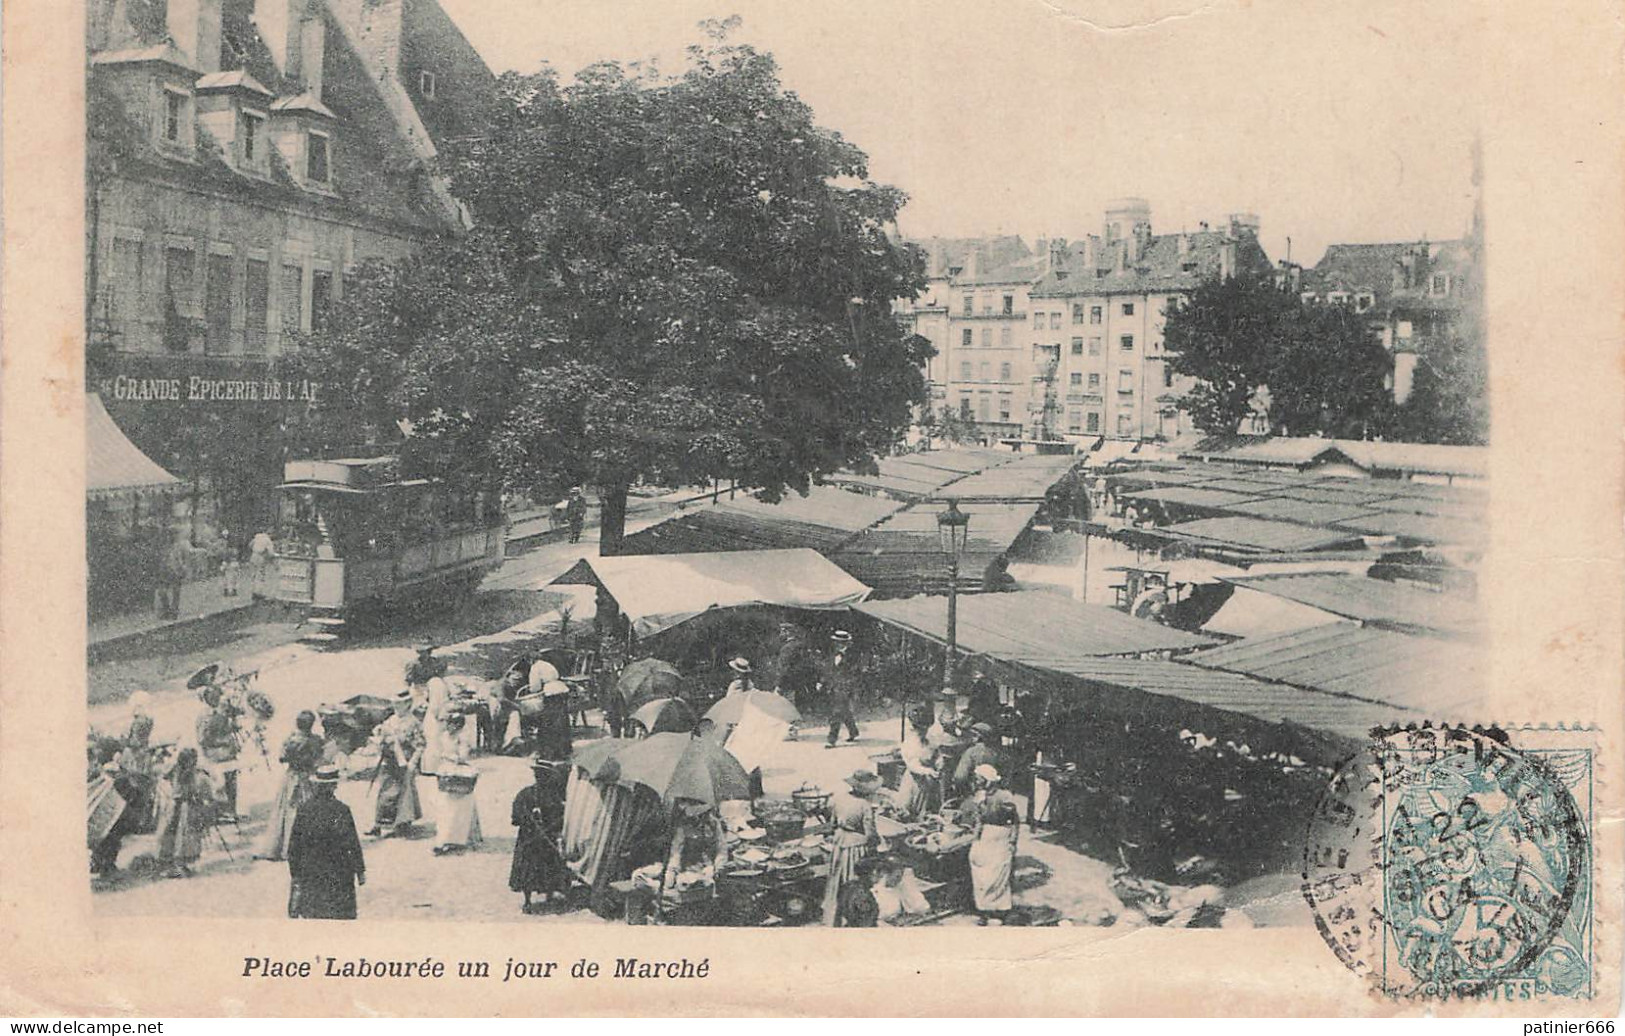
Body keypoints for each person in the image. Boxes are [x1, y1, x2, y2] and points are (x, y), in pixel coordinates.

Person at [287, 765, 366, 919]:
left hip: (311, 874)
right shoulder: (342, 810)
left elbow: (294, 846)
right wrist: (360, 870)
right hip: (339, 874)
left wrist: (296, 873)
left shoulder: (304, 810)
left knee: (314, 918)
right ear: (334, 786)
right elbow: (352, 843)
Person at [256, 710, 325, 861]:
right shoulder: (316, 740)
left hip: (292, 777)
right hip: (309, 777)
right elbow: (321, 758)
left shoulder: (291, 740)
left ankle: (285, 847)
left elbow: (282, 758)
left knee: (287, 812)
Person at [509, 755, 569, 913]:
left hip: (540, 839)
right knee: (531, 869)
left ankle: (544, 897)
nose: (541, 778)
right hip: (531, 839)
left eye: (543, 775)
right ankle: (530, 900)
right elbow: (516, 818)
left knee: (542, 867)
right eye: (539, 775)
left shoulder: (551, 796)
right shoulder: (527, 795)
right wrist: (529, 820)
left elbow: (561, 818)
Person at [821, 769, 882, 925]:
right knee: (853, 883)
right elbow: (870, 833)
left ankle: (832, 917)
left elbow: (832, 823)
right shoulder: (864, 805)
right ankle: (852, 917)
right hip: (855, 846)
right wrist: (877, 844)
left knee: (836, 881)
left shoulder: (838, 798)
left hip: (840, 842)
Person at [963, 764, 1021, 924]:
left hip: (999, 836)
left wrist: (1012, 841)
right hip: (984, 836)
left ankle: (998, 911)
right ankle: (984, 909)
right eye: (976, 780)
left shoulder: (1004, 796)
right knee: (980, 872)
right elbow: (976, 818)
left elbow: (1013, 821)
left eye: (980, 779)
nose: (977, 782)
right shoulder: (978, 796)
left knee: (996, 873)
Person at [366, 691, 425, 837]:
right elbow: (382, 734)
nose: (397, 706)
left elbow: (420, 745)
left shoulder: (413, 722)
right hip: (389, 760)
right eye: (395, 703)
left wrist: (413, 763)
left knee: (403, 793)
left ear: (408, 704)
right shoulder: (391, 720)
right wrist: (379, 733)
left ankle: (402, 823)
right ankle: (379, 824)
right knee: (385, 792)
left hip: (404, 762)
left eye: (400, 703)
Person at [154, 748, 215, 879]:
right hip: (187, 808)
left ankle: (169, 864)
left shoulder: (175, 772)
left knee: (171, 835)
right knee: (184, 837)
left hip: (173, 806)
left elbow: (164, 775)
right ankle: (179, 865)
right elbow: (206, 794)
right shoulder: (196, 776)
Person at [431, 708, 482, 855]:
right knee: (444, 807)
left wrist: (447, 756)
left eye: (452, 723)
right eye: (447, 722)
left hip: (458, 773)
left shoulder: (462, 738)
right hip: (446, 772)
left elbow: (463, 757)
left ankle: (456, 839)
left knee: (458, 809)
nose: (448, 726)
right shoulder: (443, 736)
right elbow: (437, 752)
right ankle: (443, 839)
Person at [195, 686, 241, 820]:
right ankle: (221, 812)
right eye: (214, 695)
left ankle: (231, 811)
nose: (218, 697)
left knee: (231, 782)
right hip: (215, 755)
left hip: (227, 753)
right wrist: (222, 741)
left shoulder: (220, 712)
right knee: (220, 784)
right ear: (207, 698)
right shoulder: (205, 716)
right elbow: (202, 739)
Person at [772, 622, 818, 739]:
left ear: (787, 632)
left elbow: (784, 669)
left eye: (782, 631)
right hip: (797, 683)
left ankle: (789, 732)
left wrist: (779, 684)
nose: (780, 634)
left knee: (784, 707)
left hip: (786, 683)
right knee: (792, 706)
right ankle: (792, 731)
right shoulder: (800, 645)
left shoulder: (787, 648)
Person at [895, 706, 940, 818]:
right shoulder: (910, 743)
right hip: (914, 781)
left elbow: (936, 752)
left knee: (928, 808)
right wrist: (926, 771)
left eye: (926, 729)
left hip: (930, 780)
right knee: (909, 809)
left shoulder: (930, 739)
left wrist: (939, 762)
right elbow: (912, 765)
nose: (924, 732)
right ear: (915, 728)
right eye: (921, 729)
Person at [820, 630, 860, 748]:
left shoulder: (853, 657)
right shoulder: (832, 654)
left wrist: (850, 689)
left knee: (836, 713)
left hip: (845, 688)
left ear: (847, 643)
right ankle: (853, 731)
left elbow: (855, 674)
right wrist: (822, 682)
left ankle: (831, 739)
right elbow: (828, 670)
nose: (839, 645)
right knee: (844, 711)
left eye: (842, 642)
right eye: (836, 642)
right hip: (832, 687)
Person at [953, 722, 1004, 797]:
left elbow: (960, 777)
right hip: (992, 793)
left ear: (977, 736)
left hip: (973, 793)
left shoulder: (971, 752)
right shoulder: (995, 753)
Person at [836, 855, 885, 928]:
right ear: (867, 873)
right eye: (878, 871)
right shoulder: (862, 893)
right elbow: (865, 921)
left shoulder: (849, 886)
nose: (881, 875)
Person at [156, 528, 190, 619]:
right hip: (165, 571)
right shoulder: (163, 547)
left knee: (176, 592)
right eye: (169, 535)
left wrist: (183, 569)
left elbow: (184, 559)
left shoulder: (179, 547)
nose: (171, 537)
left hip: (176, 571)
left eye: (173, 535)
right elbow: (161, 559)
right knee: (162, 592)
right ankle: (166, 609)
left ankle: (174, 611)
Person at [213, 527, 241, 598]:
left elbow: (218, 553)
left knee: (225, 576)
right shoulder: (231, 547)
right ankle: (233, 590)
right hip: (231, 562)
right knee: (233, 576)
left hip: (224, 562)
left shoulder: (220, 543)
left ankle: (226, 590)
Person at [248, 528, 275, 597]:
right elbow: (271, 553)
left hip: (253, 555)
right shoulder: (268, 541)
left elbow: (250, 545)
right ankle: (259, 592)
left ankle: (252, 590)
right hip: (261, 556)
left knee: (253, 574)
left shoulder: (258, 536)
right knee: (261, 575)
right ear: (271, 534)